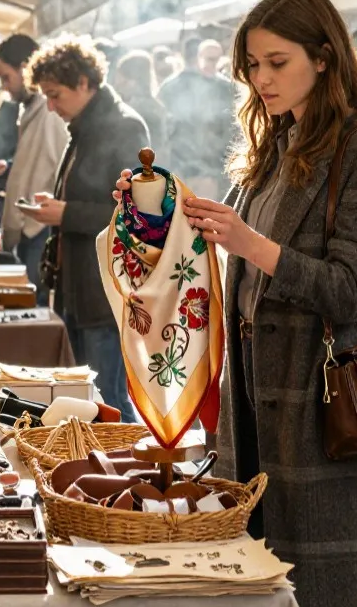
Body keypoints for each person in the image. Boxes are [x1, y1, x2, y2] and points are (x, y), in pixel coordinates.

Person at [118, 0, 357, 607]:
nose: (262, 78)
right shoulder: (274, 141)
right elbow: (218, 243)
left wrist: (252, 243)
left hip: (316, 405)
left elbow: (353, 291)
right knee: (264, 600)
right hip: (252, 401)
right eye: (252, 65)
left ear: (325, 58)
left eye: (277, 62)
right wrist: (154, 209)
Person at [28, 38, 147, 421]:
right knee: (89, 395)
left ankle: (128, 474)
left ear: (83, 82)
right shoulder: (84, 125)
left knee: (108, 397)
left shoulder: (124, 126)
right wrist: (60, 205)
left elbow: (138, 214)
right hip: (79, 289)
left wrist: (66, 212)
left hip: (103, 293)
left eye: (55, 94)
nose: (50, 106)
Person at [0, 33, 69, 305]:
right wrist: (13, 166)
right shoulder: (35, 108)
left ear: (25, 68)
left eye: (6, 77)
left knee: (37, 307)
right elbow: (38, 160)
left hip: (38, 228)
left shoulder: (48, 111)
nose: (4, 86)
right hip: (32, 226)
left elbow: (50, 170)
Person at [158, 36, 236, 198]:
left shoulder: (223, 86)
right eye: (209, 59)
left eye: (215, 59)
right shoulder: (221, 86)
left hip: (204, 172)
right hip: (194, 172)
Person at [113, 51, 169, 164]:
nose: (117, 84)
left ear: (132, 81)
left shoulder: (133, 111)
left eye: (121, 79)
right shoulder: (157, 107)